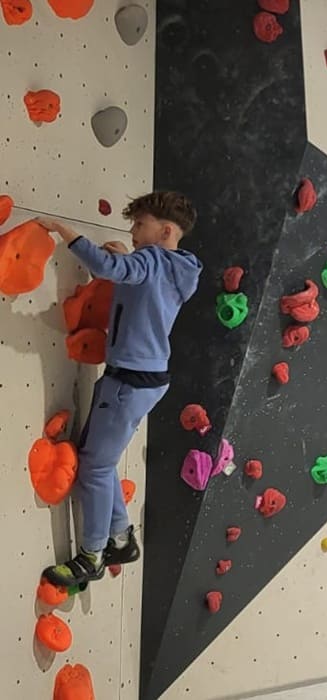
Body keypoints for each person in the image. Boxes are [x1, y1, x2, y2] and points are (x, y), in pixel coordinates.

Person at [36, 192, 202, 587]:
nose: (132, 232)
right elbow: (131, 279)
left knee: (93, 469)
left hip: (128, 380)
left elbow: (110, 266)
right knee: (101, 461)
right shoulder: (177, 268)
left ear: (164, 230)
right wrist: (127, 262)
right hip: (147, 377)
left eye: (139, 226)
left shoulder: (148, 261)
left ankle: (91, 555)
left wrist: (64, 231)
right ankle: (122, 538)